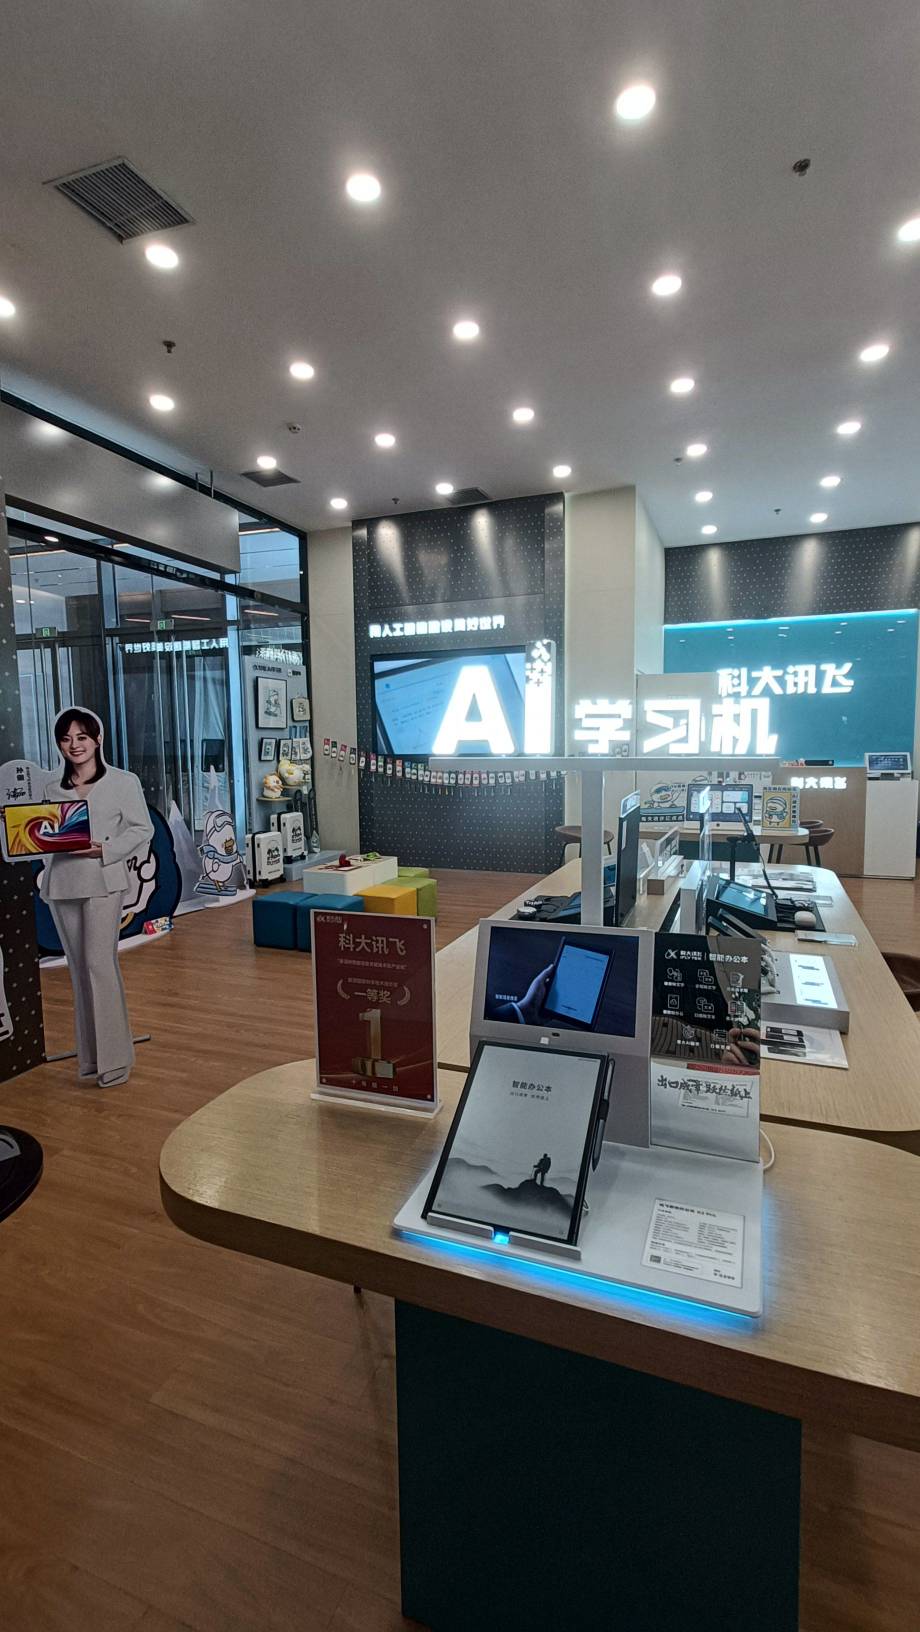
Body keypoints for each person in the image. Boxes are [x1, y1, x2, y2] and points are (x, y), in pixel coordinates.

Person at [40, 708, 153, 1088]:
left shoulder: (123, 782)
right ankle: (90, 1059)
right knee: (78, 970)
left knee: (100, 966)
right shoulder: (50, 788)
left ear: (97, 739)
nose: (75, 745)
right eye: (66, 739)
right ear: (59, 744)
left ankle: (116, 1060)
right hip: (63, 883)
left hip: (104, 880)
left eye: (82, 737)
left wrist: (106, 850)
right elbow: (42, 834)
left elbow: (142, 829)